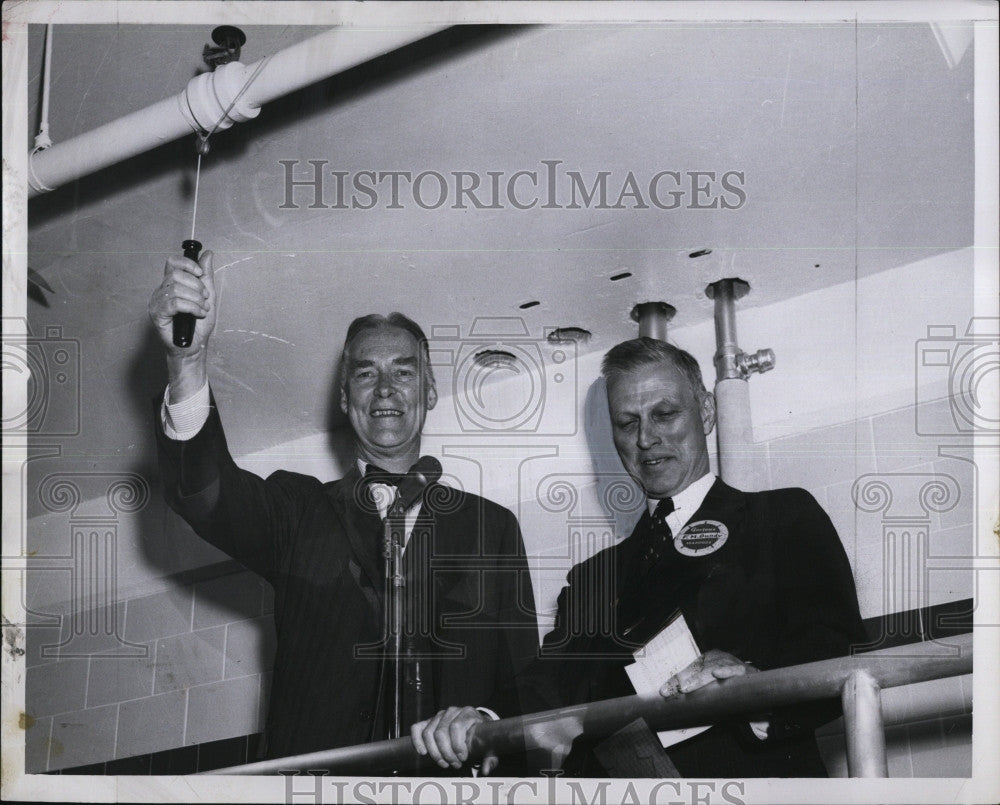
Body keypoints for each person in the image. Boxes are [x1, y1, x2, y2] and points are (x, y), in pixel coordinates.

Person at [147, 249, 538, 763]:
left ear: (431, 390)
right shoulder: (297, 509)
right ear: (343, 397)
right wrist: (187, 361)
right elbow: (206, 493)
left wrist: (483, 724)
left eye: (403, 372)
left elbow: (523, 684)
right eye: (364, 374)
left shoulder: (493, 529)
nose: (384, 389)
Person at [412, 337, 866, 777]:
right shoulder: (593, 578)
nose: (646, 438)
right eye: (627, 423)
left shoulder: (780, 518)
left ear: (706, 411)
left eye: (664, 414)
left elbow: (833, 650)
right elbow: (549, 683)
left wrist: (753, 686)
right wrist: (482, 718)